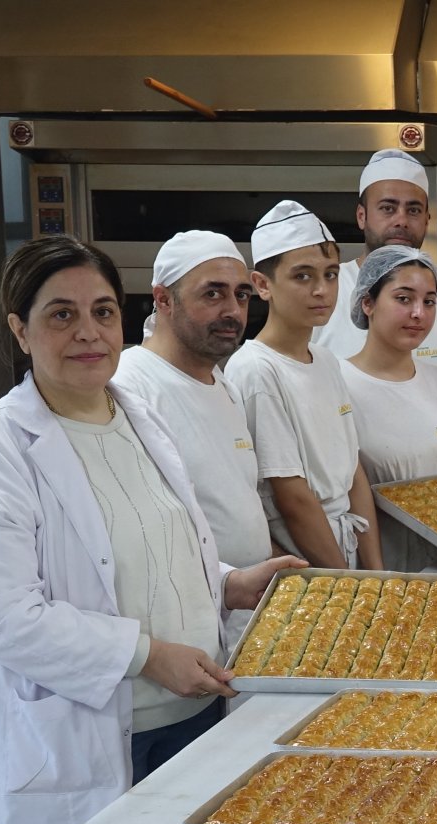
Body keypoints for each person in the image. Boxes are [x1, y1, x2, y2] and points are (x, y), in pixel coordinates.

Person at [0, 236, 301, 824]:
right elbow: (3, 618)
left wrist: (227, 583)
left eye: (103, 311)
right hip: (100, 734)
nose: (88, 332)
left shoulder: (137, 417)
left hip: (196, 711)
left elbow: (161, 547)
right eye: (62, 314)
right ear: (19, 329)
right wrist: (147, 655)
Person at [111, 231, 272, 642]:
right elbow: (136, 531)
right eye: (213, 295)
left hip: (243, 617)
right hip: (180, 626)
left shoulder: (222, 382)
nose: (233, 311)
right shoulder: (131, 386)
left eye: (241, 295)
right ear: (163, 299)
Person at [225, 201, 383, 570]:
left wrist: (377, 572)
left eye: (330, 275)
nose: (321, 290)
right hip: (306, 560)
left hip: (347, 548)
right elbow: (293, 499)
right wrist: (347, 582)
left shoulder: (325, 360)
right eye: (302, 276)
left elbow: (353, 473)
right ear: (262, 284)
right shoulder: (257, 371)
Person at [341, 246, 437, 570]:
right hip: (374, 570)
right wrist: (377, 577)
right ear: (368, 303)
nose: (419, 313)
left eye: (429, 301)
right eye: (403, 299)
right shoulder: (339, 385)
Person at [312, 149, 437, 368]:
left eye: (414, 210)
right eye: (388, 208)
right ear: (362, 216)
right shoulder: (327, 290)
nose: (402, 221)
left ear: (427, 220)